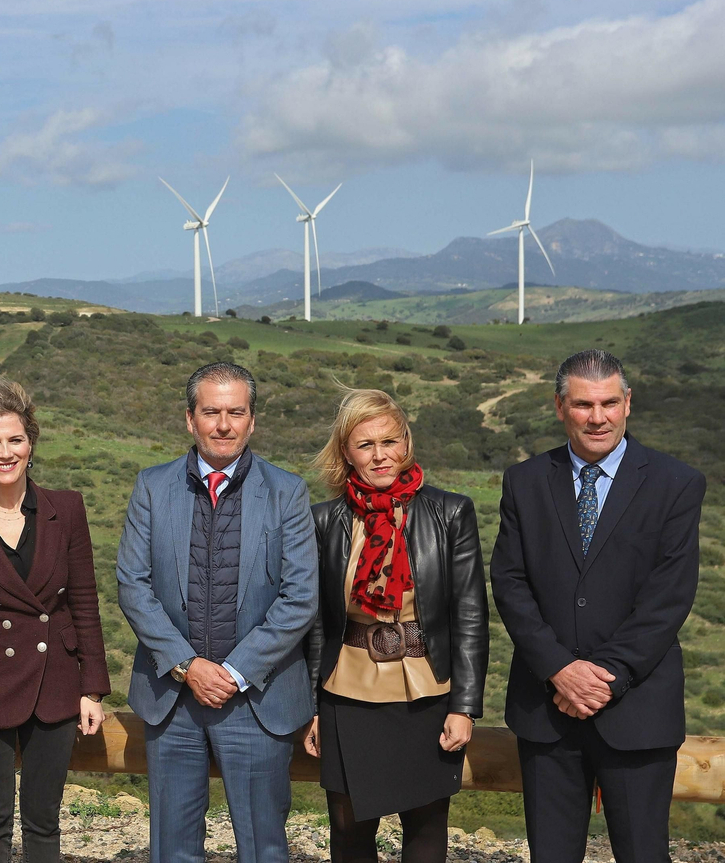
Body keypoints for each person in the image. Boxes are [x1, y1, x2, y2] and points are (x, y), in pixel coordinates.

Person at [491, 349, 704, 863]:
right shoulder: (524, 481)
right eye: (584, 405)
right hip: (547, 710)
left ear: (628, 403)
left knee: (642, 854)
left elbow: (669, 596)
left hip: (638, 711)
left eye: (609, 403)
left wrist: (603, 677)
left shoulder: (676, 483)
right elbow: (510, 582)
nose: (598, 417)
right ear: (559, 406)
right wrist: (559, 670)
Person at [116, 361, 318, 863]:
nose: (223, 424)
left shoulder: (287, 491)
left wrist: (233, 671)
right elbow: (133, 585)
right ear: (190, 419)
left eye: (236, 412)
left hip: (257, 699)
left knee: (263, 848)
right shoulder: (152, 487)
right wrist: (188, 666)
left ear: (252, 420)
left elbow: (300, 598)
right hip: (173, 701)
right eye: (211, 412)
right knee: (172, 849)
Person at [0, 376, 111, 863]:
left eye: (15, 440)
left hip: (55, 685)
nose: (5, 452)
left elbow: (84, 602)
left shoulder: (66, 509)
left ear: (31, 446)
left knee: (44, 822)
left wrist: (92, 688)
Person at [301, 389, 488, 862]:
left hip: (427, 692)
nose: (380, 455)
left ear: (406, 442)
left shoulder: (451, 513)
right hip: (346, 693)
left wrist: (465, 707)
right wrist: (313, 707)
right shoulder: (324, 521)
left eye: (390, 441)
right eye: (365, 445)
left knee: (426, 830)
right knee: (348, 831)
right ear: (346, 452)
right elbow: (317, 623)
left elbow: (470, 616)